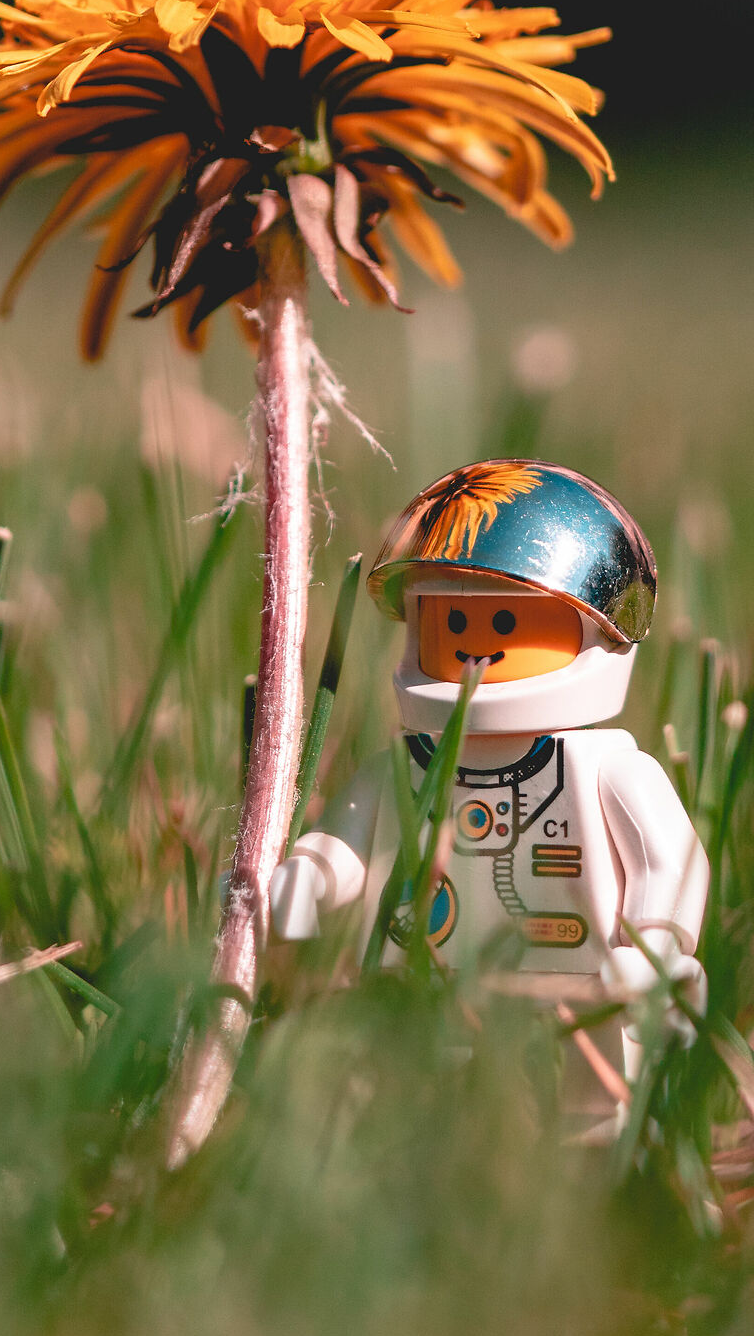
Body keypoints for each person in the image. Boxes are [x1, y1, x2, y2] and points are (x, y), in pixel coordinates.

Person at [269, 459, 709, 1109]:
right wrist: (309, 876)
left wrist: (654, 946)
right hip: (425, 982)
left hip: (581, 984)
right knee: (416, 1103)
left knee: (589, 1107)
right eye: (450, 621)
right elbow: (349, 844)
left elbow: (669, 862)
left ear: (598, 633)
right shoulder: (404, 765)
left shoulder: (608, 770)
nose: (476, 646)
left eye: (508, 622)